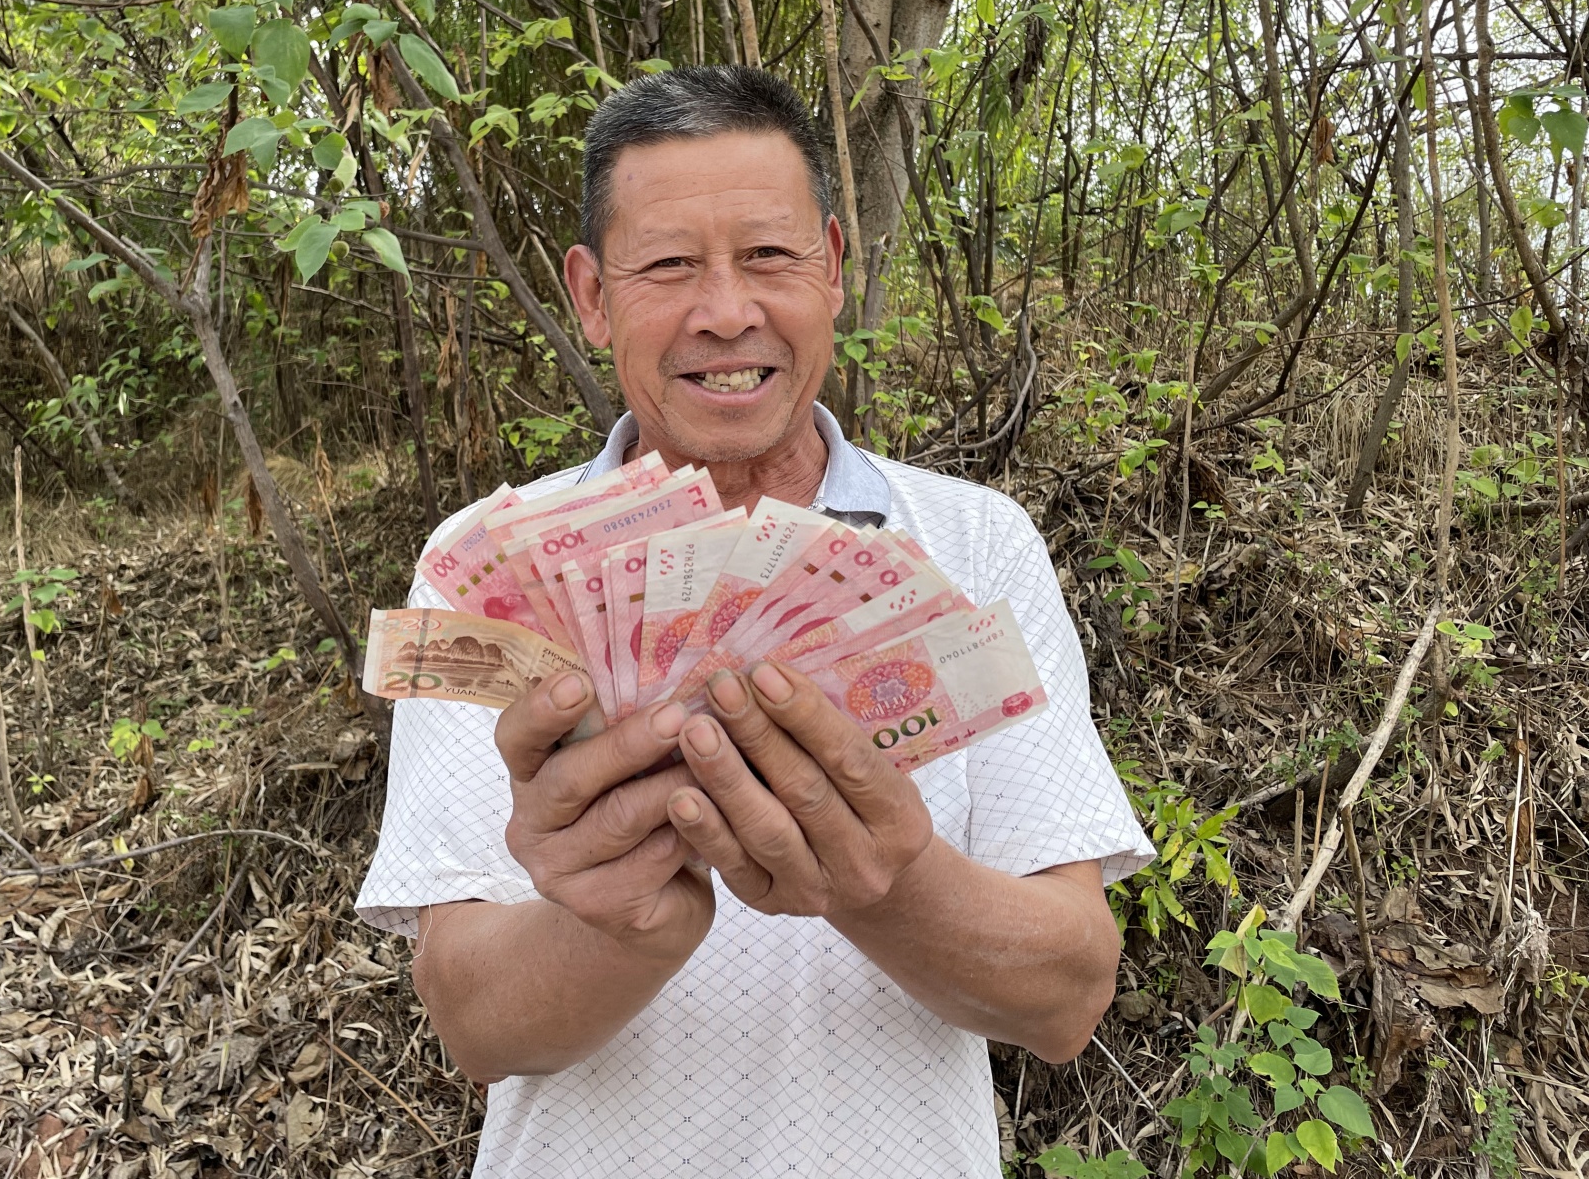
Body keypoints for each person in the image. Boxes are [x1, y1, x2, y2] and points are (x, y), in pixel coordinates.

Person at [356, 66, 1153, 1177]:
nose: (726, 311)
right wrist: (620, 920)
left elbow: (1066, 994)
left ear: (832, 266)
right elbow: (472, 1022)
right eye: (670, 264)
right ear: (591, 295)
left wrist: (879, 878)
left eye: (770, 257)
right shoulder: (491, 570)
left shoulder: (975, 546)